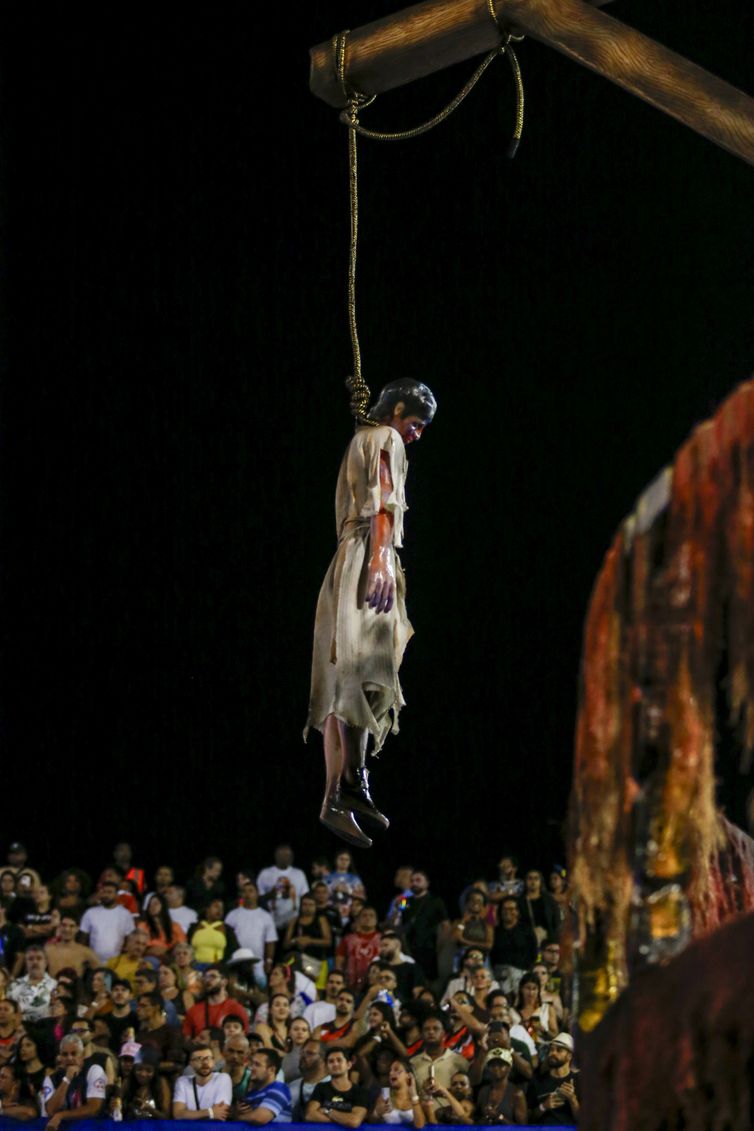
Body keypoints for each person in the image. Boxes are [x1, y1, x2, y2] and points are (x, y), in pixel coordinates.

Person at [305, 379, 438, 847]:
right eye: (416, 424)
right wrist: (381, 559)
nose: (417, 435)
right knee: (364, 668)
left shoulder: (359, 439)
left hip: (344, 560)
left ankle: (334, 796)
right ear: (398, 409)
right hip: (365, 554)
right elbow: (382, 501)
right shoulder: (384, 439)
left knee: (342, 675)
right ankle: (353, 781)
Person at [42, 1034, 107, 1126]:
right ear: (59, 1056)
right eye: (65, 1054)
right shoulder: (51, 1079)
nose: (69, 1058)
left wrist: (61, 1115)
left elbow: (94, 1108)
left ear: (82, 1055)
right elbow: (51, 1111)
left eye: (74, 1053)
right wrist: (67, 1079)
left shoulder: (94, 1070)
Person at [225, 883, 278, 985]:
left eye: (251, 891)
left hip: (257, 963)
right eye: (244, 891)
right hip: (236, 962)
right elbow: (225, 938)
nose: (247, 894)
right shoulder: (232, 915)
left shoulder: (266, 916)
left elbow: (270, 940)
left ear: (257, 893)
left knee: (260, 989)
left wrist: (269, 961)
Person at [305, 1045, 370, 1125]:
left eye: (339, 1060)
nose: (335, 1064)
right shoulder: (321, 1087)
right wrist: (344, 1120)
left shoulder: (360, 1092)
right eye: (331, 1061)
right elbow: (310, 1115)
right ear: (326, 1067)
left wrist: (328, 1111)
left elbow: (354, 1121)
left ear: (349, 1065)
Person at [526, 1032, 580, 1124]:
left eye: (559, 1050)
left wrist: (572, 1100)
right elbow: (527, 1118)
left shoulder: (579, 1081)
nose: (553, 1053)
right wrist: (543, 1107)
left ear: (569, 1056)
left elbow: (585, 1121)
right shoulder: (537, 1080)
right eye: (551, 1050)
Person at [409, 1014, 467, 1096]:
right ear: (421, 1034)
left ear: (444, 1033)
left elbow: (467, 1091)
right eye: (426, 1029)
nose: (431, 1032)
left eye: (435, 1029)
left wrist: (441, 1092)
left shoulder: (459, 1061)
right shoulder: (413, 1063)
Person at [172, 1043, 232, 1120]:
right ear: (191, 1064)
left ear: (213, 1062)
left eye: (208, 1058)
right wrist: (210, 1112)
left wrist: (189, 1114)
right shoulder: (182, 1082)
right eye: (199, 1059)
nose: (205, 1062)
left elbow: (221, 1113)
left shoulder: (223, 1078)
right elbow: (178, 1114)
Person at [78, 880, 135, 962]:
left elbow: (129, 939)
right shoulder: (90, 913)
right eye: (104, 892)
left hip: (117, 962)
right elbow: (83, 939)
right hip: (93, 961)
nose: (106, 895)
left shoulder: (126, 914)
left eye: (109, 892)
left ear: (116, 895)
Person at [235, 1047, 292, 1123]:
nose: (251, 1068)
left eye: (257, 1065)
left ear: (271, 1070)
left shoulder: (279, 1088)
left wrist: (237, 1117)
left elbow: (260, 1118)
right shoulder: (251, 1094)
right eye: (252, 1063)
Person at [475, 1047, 526, 1125]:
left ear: (509, 1067)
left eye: (501, 1065)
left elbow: (522, 1128)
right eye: (492, 1065)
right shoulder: (483, 1092)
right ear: (488, 1068)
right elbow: (476, 1122)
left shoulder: (516, 1094)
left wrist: (499, 1117)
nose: (496, 1068)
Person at [370, 1056, 425, 1126]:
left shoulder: (419, 1097)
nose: (390, 1073)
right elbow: (372, 1122)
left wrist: (413, 1094)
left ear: (408, 1075)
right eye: (390, 1070)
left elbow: (419, 1125)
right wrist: (376, 1113)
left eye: (396, 1070)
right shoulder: (384, 1095)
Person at [7, 945, 57, 1021]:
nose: (35, 962)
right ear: (26, 963)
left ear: (46, 962)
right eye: (30, 959)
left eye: (39, 958)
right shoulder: (14, 985)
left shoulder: (55, 985)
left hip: (45, 1028)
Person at [290, 1039, 329, 1120]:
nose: (303, 1056)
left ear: (324, 1059)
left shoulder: (334, 1085)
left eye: (309, 1053)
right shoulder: (292, 1086)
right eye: (302, 1053)